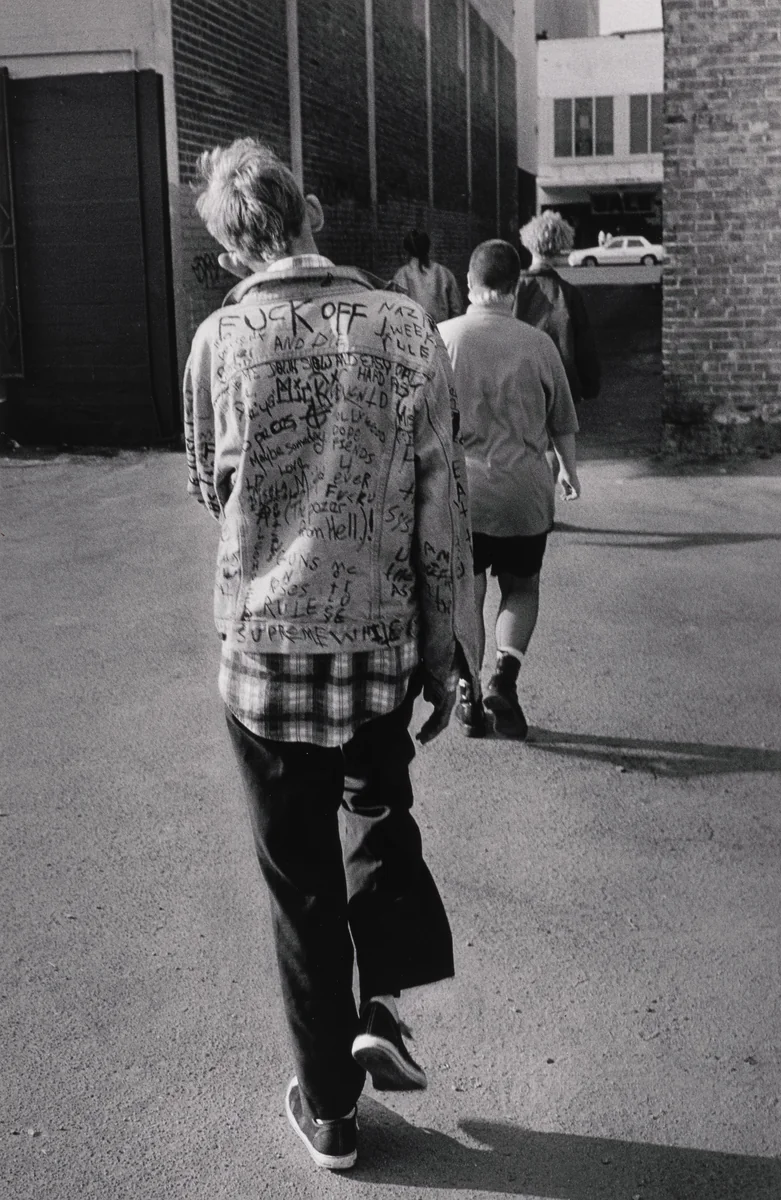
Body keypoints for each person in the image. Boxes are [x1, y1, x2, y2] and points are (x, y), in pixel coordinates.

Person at [184, 139, 478, 1171]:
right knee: (378, 812)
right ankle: (385, 1006)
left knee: (298, 883)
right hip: (374, 643)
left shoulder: (219, 341)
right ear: (312, 210)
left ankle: (332, 1113)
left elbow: (212, 492)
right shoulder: (408, 329)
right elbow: (442, 511)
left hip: (262, 656)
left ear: (228, 254)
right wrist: (446, 657)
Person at [439, 240, 580, 740]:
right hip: (524, 494)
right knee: (521, 588)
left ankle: (469, 691)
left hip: (463, 497)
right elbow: (562, 422)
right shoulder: (538, 344)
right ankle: (506, 677)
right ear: (515, 287)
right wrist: (568, 471)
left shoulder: (441, 340)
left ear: (470, 283)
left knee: (468, 594)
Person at [516, 211, 601, 409]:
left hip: (519, 382)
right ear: (562, 245)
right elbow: (584, 344)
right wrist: (589, 384)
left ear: (527, 242)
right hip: (559, 382)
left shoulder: (514, 288)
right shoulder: (569, 293)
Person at [391, 230, 464, 324]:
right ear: (428, 247)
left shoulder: (400, 276)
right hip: (441, 331)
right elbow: (457, 310)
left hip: (413, 334)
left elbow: (395, 312)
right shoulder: (444, 273)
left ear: (407, 250)